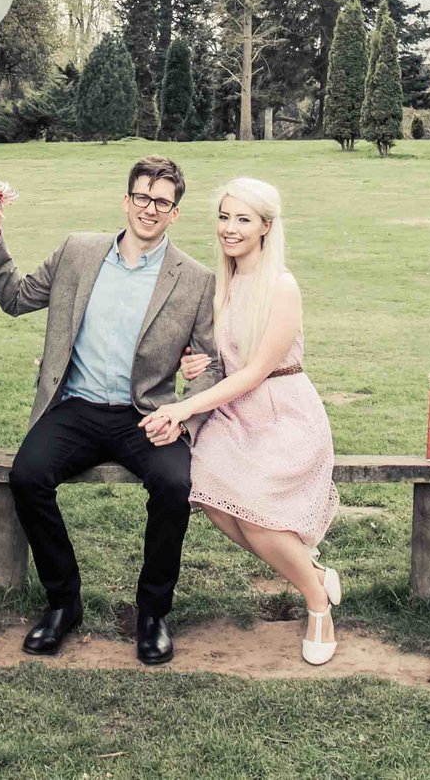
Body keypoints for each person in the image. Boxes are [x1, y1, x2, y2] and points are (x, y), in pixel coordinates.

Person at [0, 155, 222, 665]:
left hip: (144, 413)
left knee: (175, 485)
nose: (149, 209)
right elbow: (15, 298)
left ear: (176, 213)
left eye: (162, 202)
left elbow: (213, 364)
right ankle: (64, 603)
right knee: (27, 476)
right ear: (126, 200)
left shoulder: (194, 279)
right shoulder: (78, 253)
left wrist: (185, 409)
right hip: (75, 406)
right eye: (142, 197)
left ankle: (153, 613)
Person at [139, 177, 342, 665]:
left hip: (282, 412)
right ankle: (310, 570)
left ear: (266, 227)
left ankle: (316, 602)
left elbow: (254, 371)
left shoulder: (281, 286)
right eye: (225, 217)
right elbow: (220, 361)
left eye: (243, 219)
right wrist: (196, 365)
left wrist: (185, 407)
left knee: (255, 511)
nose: (230, 229)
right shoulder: (222, 282)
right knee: (208, 492)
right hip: (235, 414)